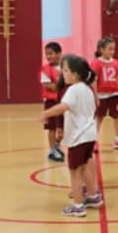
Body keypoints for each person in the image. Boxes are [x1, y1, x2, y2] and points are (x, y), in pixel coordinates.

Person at [42, 54, 103, 217]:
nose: (63, 74)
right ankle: (93, 196)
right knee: (84, 167)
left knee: (75, 171)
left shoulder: (73, 89)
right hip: (90, 135)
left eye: (66, 70)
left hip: (78, 137)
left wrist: (46, 113)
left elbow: (63, 107)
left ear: (75, 74)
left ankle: (78, 205)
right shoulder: (88, 89)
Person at [90, 37, 118, 150]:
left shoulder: (116, 63)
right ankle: (93, 141)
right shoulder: (96, 63)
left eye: (113, 49)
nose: (112, 51)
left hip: (114, 95)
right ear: (101, 49)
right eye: (110, 49)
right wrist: (96, 96)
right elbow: (94, 81)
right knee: (99, 118)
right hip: (102, 95)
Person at [39, 42, 64, 162]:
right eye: (46, 54)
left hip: (63, 102)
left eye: (51, 53)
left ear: (59, 54)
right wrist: (61, 86)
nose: (48, 56)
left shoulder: (66, 67)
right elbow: (48, 85)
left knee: (63, 128)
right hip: (51, 102)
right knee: (52, 127)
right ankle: (52, 150)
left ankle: (57, 144)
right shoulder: (46, 70)